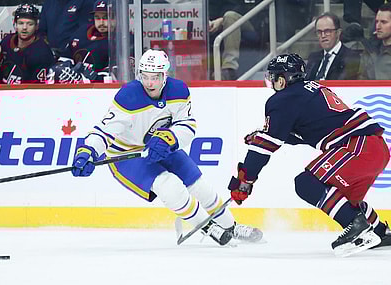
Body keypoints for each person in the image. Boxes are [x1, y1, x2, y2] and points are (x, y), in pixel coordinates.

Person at [70, 49, 263, 246]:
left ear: (165, 75)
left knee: (199, 186)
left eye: (154, 77)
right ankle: (207, 226)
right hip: (128, 153)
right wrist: (88, 151)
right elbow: (104, 130)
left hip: (163, 146)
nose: (149, 83)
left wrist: (169, 138)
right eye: (144, 76)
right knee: (168, 186)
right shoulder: (128, 96)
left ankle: (231, 226)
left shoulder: (179, 91)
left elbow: (187, 125)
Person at [228, 53, 391, 257]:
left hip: (357, 147)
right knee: (344, 200)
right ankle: (381, 232)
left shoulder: (282, 99)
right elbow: (308, 131)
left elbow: (265, 147)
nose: (272, 82)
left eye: (273, 77)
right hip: (374, 147)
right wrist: (264, 135)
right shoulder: (310, 89)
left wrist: (246, 179)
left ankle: (357, 227)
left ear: (282, 79)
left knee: (307, 183)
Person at [0, 4, 55, 84]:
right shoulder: (6, 42)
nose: (24, 28)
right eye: (20, 23)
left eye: (30, 24)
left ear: (36, 26)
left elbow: (37, 88)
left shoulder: (42, 52)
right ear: (15, 24)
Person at [48, 0, 110, 83]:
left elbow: (116, 78)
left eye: (105, 18)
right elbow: (65, 58)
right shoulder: (81, 33)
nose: (101, 22)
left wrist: (96, 78)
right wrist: (60, 67)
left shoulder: (120, 41)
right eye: (97, 18)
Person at [208, 0, 267, 80]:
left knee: (229, 16)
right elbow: (212, 6)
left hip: (250, 20)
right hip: (220, 22)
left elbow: (242, 7)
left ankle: (229, 68)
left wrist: (221, 20)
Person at [306, 12, 360, 80]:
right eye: (319, 32)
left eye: (327, 31)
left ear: (338, 32)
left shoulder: (351, 57)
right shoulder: (313, 57)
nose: (323, 36)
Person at [358, 3, 391, 79]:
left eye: (383, 22)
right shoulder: (370, 48)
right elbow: (361, 78)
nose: (378, 26)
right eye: (377, 22)